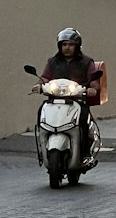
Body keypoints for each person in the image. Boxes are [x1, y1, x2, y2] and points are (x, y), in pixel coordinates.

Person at [41, 28, 102, 164]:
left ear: (77, 46)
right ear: (59, 46)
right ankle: (42, 148)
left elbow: (94, 81)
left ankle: (85, 153)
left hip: (77, 101)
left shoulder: (87, 62)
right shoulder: (52, 62)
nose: (67, 48)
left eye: (71, 44)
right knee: (41, 111)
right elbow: (45, 77)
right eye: (64, 44)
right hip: (55, 100)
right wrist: (39, 84)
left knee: (83, 119)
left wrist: (92, 88)